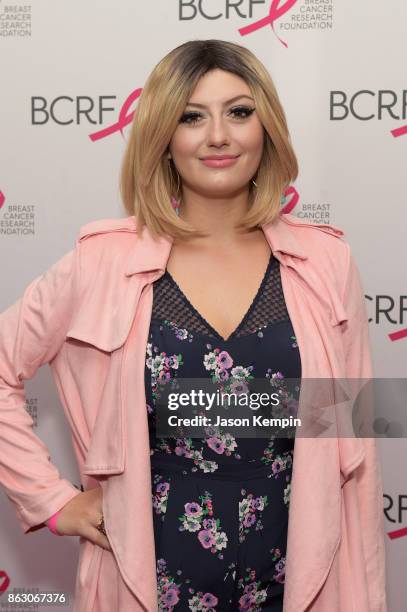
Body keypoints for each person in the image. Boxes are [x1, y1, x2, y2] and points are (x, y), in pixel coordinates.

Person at [0, 40, 387, 612]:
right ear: (163, 136)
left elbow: (352, 436)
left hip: (302, 572)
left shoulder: (326, 261)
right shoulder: (101, 263)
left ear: (267, 127)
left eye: (239, 111)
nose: (219, 137)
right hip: (150, 574)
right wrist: (54, 501)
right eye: (191, 116)